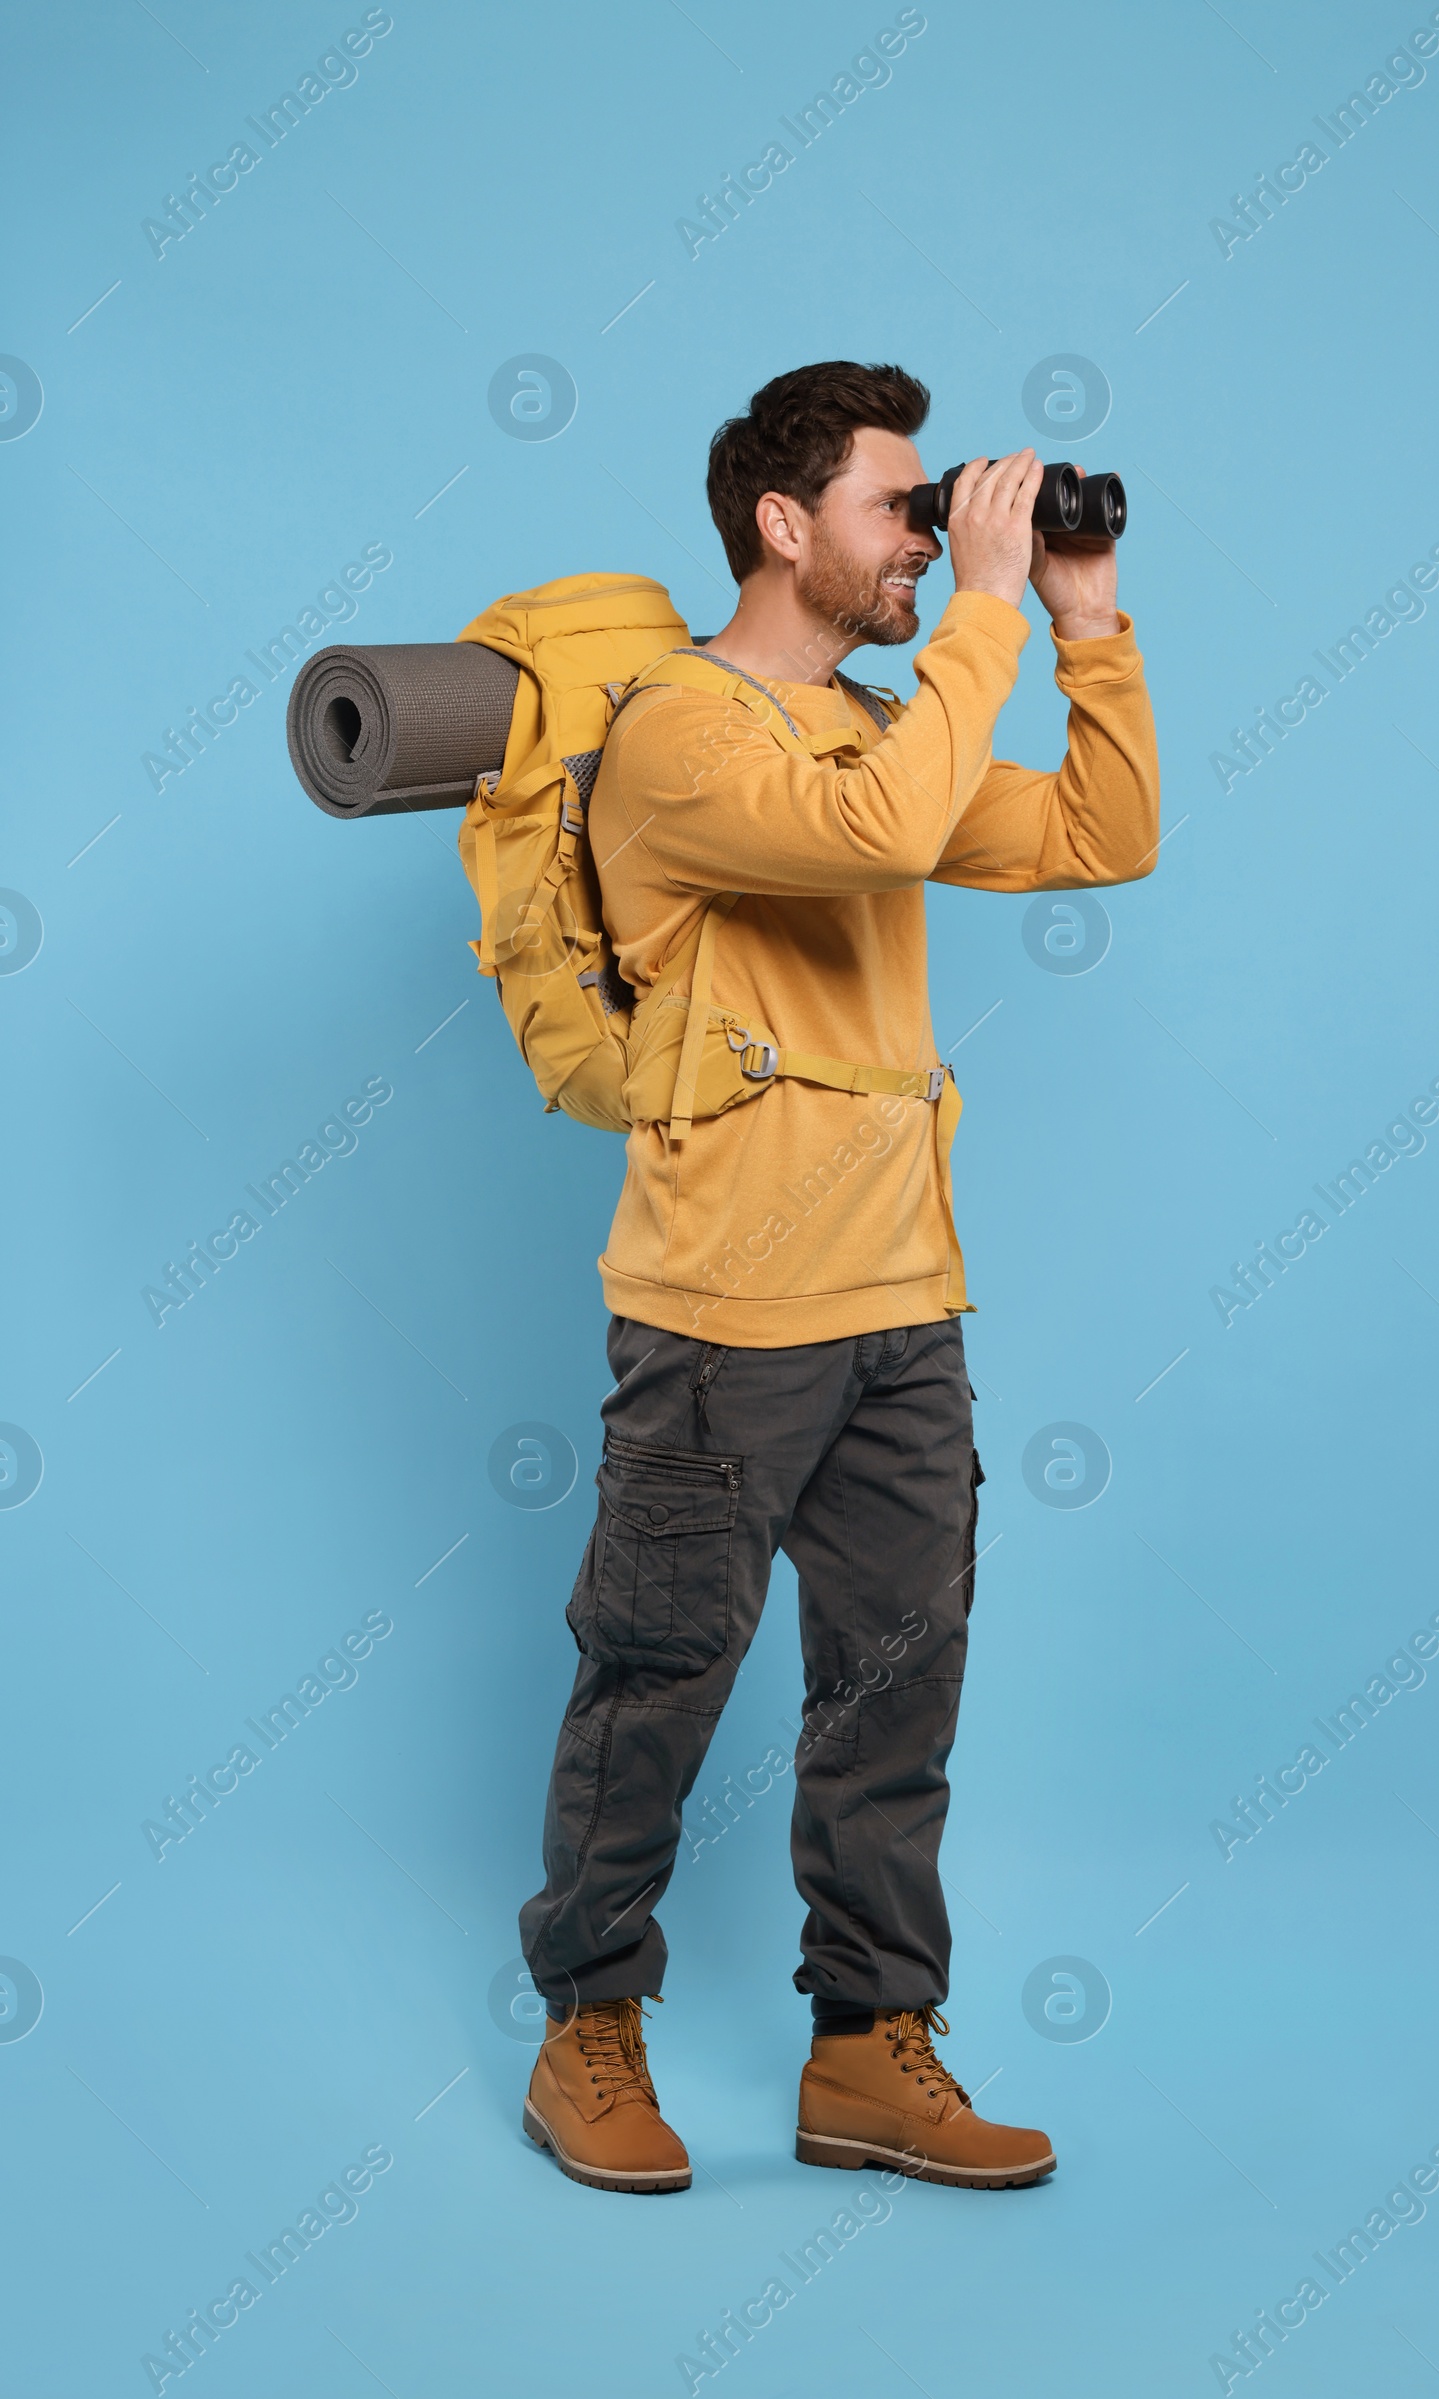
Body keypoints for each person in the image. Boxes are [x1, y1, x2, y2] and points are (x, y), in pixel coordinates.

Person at [518, 362, 1159, 2194]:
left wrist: (1080, 620)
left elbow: (1107, 836)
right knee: (656, 1680)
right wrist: (976, 615)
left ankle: (872, 2051)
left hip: (903, 1311)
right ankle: (588, 2026)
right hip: (725, 1316)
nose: (929, 533)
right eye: (903, 503)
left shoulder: (890, 722)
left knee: (898, 1696)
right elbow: (874, 837)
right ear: (783, 526)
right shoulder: (678, 737)